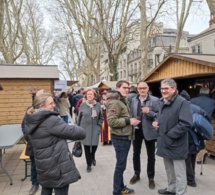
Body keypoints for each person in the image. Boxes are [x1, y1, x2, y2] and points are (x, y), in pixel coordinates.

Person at [25, 93, 86, 195]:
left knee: (46, 190)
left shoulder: (32, 119)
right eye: (51, 103)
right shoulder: (50, 121)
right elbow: (78, 133)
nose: (54, 105)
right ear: (41, 106)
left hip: (43, 165)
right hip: (57, 166)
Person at [152, 78, 193, 195]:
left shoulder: (182, 102)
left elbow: (186, 123)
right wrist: (157, 122)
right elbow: (160, 116)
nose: (163, 91)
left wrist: (170, 135)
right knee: (169, 170)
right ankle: (171, 189)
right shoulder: (162, 101)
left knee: (180, 173)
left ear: (174, 89)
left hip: (176, 144)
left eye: (166, 88)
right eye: (162, 88)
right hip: (164, 142)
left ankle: (181, 192)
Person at [106, 80, 141, 195]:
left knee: (121, 165)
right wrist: (128, 121)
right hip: (120, 138)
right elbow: (111, 121)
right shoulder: (115, 102)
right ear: (117, 88)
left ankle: (120, 187)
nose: (127, 90)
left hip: (125, 136)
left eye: (128, 88)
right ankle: (116, 191)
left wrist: (131, 120)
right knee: (120, 166)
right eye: (124, 87)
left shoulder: (122, 100)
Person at [129, 82, 159, 189]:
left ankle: (151, 177)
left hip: (149, 131)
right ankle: (136, 174)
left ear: (148, 89)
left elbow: (158, 115)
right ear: (137, 89)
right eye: (140, 88)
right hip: (136, 131)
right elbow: (131, 113)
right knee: (135, 154)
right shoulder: (133, 100)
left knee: (151, 156)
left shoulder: (155, 100)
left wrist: (149, 112)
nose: (142, 90)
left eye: (144, 88)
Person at [180, 90, 210, 187]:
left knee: (187, 158)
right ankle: (192, 173)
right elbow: (207, 119)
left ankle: (191, 180)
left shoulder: (181, 107)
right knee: (193, 155)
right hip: (197, 136)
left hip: (186, 136)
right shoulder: (197, 108)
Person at [22, 89, 48, 195]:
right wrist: (29, 138)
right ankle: (35, 183)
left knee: (47, 166)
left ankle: (48, 185)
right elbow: (24, 126)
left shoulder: (50, 109)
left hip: (47, 145)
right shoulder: (30, 110)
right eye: (37, 96)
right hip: (33, 144)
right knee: (34, 165)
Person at [77, 88, 104, 173]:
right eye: (88, 94)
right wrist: (78, 128)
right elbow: (79, 118)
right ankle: (88, 164)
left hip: (95, 128)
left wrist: (99, 125)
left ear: (94, 96)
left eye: (91, 94)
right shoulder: (83, 105)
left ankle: (93, 156)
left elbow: (101, 117)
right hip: (85, 129)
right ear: (86, 96)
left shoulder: (98, 106)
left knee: (95, 146)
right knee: (87, 147)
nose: (89, 95)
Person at [191, 87, 215, 164]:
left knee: (194, 137)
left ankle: (195, 154)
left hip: (194, 122)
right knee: (203, 139)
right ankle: (199, 157)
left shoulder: (193, 100)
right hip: (206, 123)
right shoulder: (212, 102)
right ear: (208, 93)